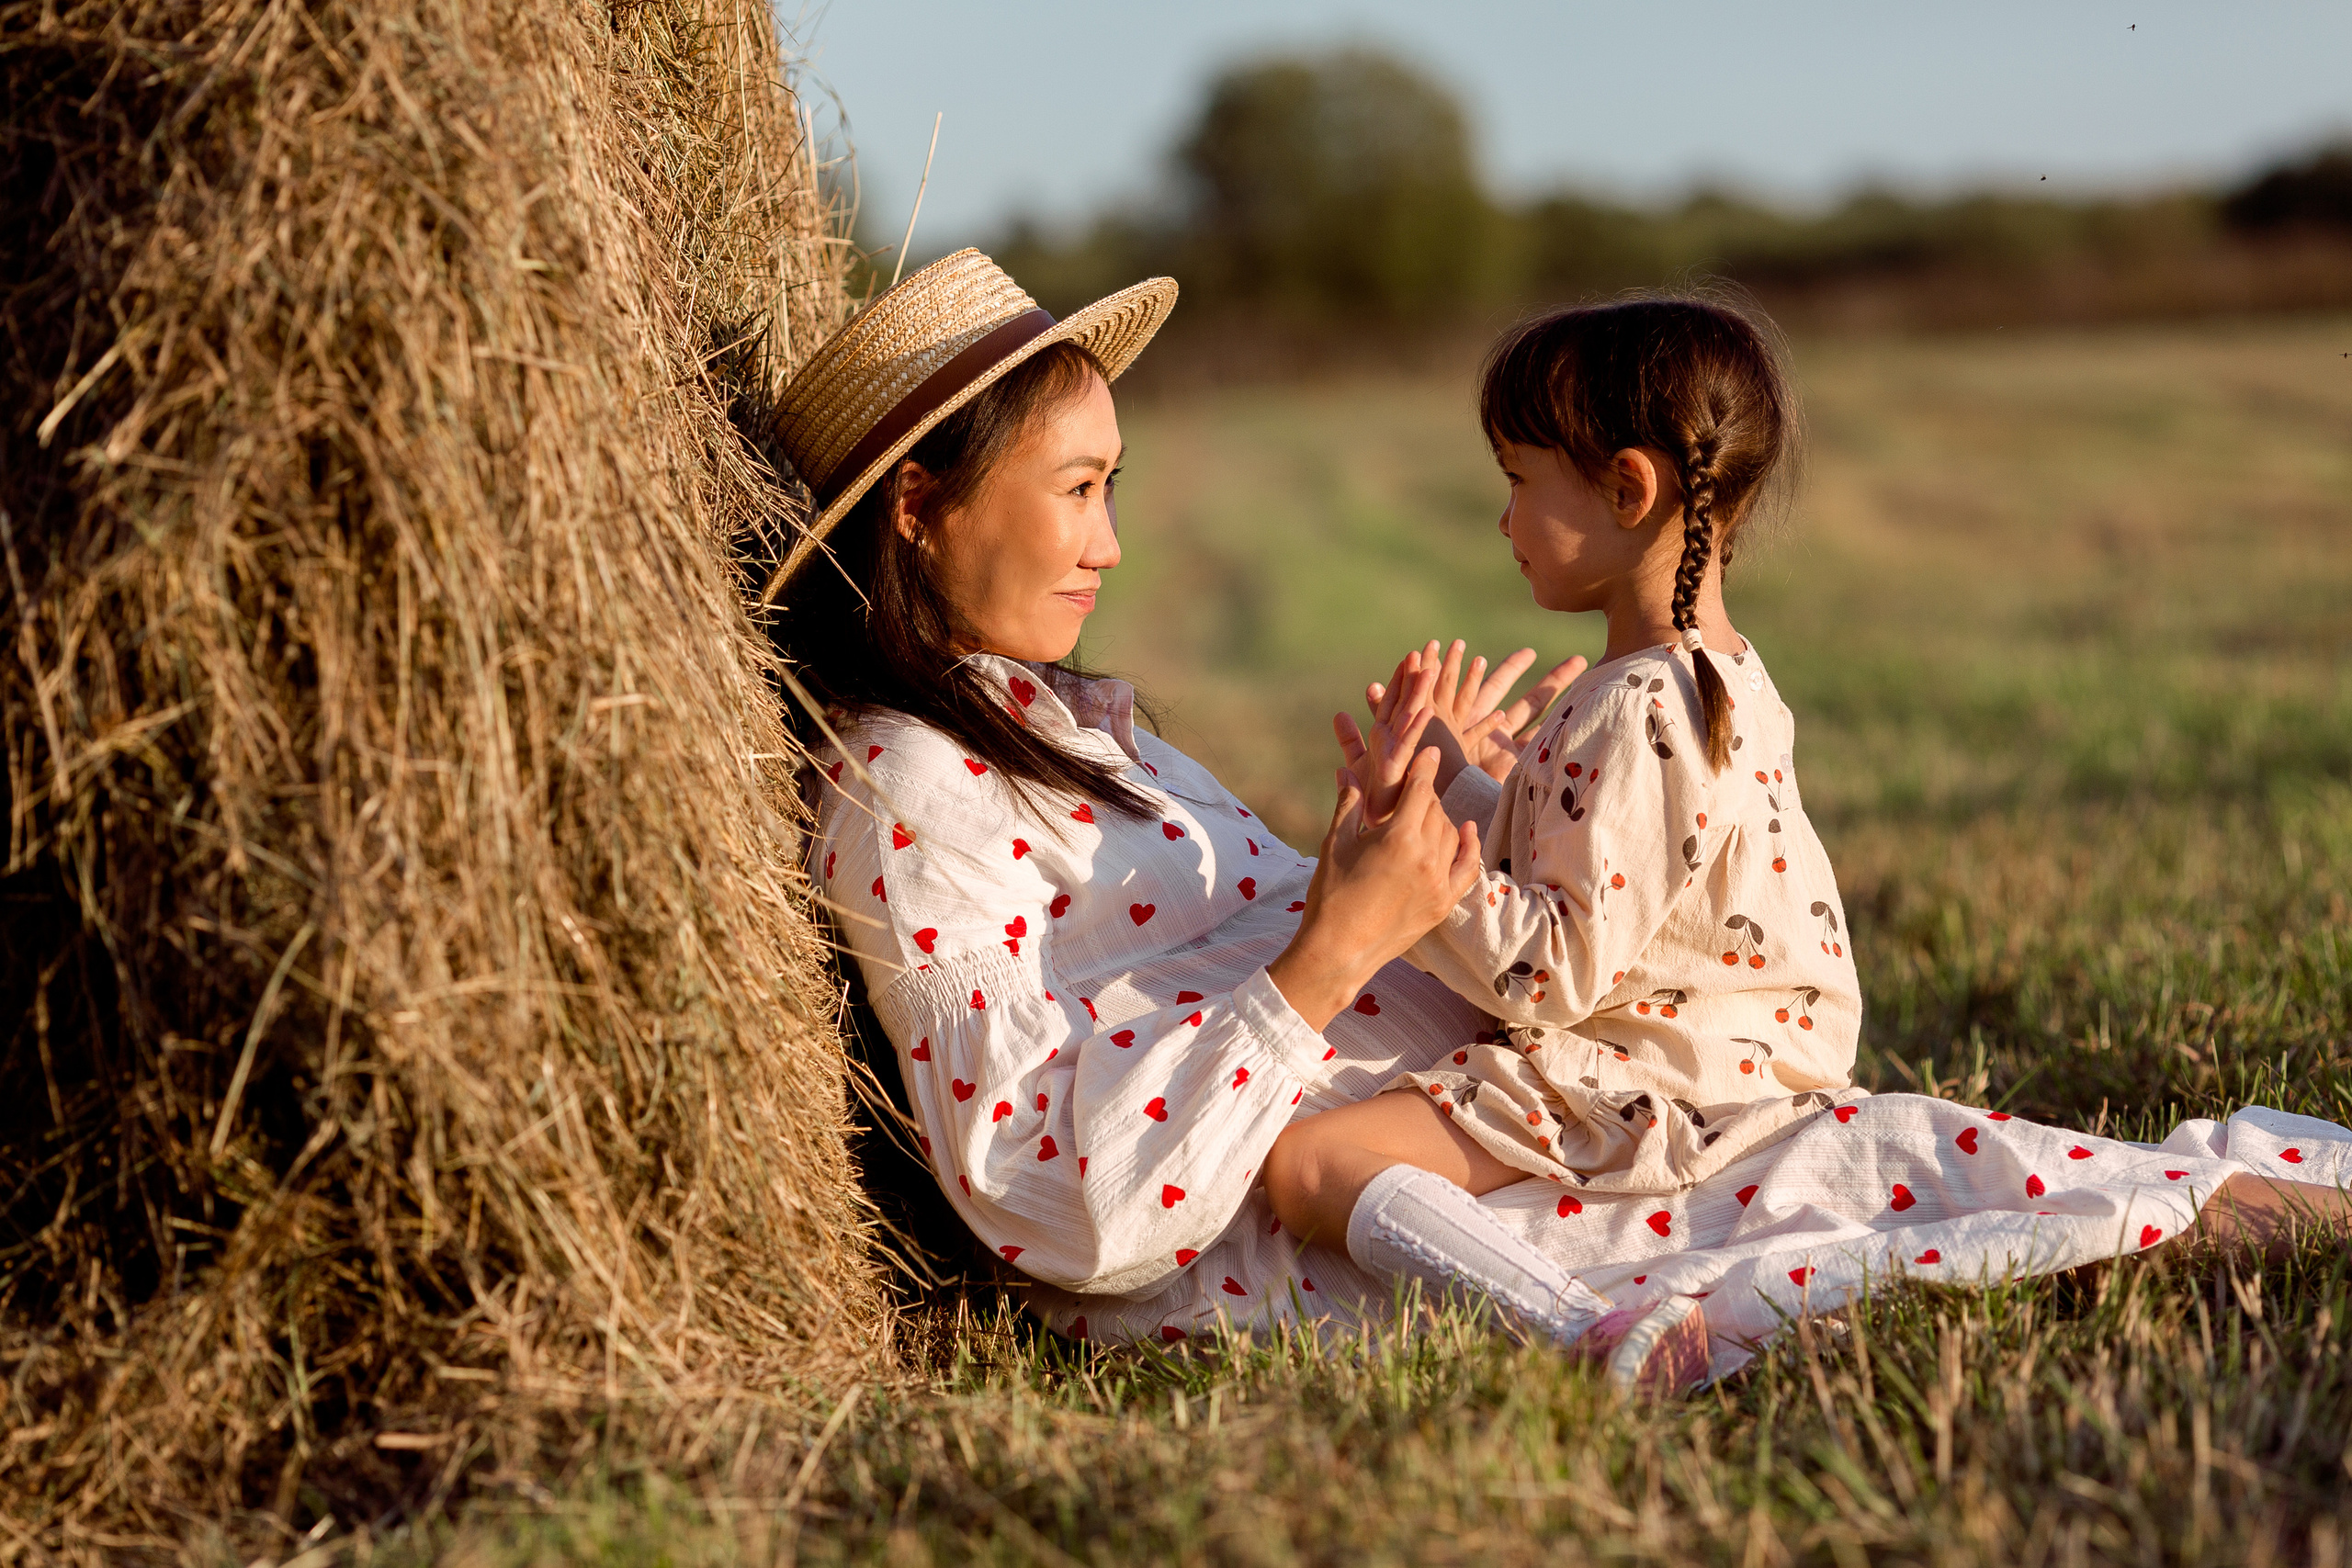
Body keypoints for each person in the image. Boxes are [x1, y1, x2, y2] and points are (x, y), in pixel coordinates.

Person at [769, 253, 2351, 1387]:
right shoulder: (908, 792)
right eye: (1080, 489)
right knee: (1868, 1186)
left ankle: (2266, 1202)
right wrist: (1338, 944)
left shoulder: (1074, 735)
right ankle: (2220, 1210)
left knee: (1893, 1157)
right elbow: (1065, 1204)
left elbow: (1318, 924)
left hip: (1493, 1106)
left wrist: (1409, 823)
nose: (1114, 543)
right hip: (1389, 1203)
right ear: (923, 503)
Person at [1260, 297, 2352, 1383]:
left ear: (1628, 488)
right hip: (1712, 1068)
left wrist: (1415, 875)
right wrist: (1457, 780)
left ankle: (1584, 1334)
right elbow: (1602, 864)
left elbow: (1556, 969)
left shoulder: (1635, 707)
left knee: (1315, 1160)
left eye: (1518, 479)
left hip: (1641, 1085)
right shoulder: (1709, 680)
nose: (1502, 520)